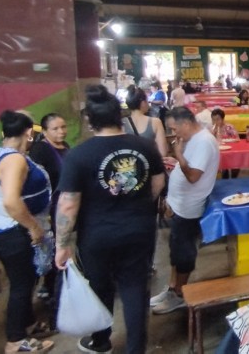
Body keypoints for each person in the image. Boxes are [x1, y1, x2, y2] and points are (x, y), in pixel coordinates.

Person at [54, 85, 166, 354]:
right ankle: (135, 348)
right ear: (120, 116)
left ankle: (101, 341)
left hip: (96, 234)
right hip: (139, 229)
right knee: (135, 290)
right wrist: (137, 205)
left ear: (90, 121)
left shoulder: (79, 155)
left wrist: (62, 243)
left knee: (100, 286)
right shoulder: (144, 146)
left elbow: (68, 203)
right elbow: (158, 182)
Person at [0, 110, 55, 353]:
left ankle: (28, 323)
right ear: (28, 132)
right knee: (22, 285)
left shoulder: (1, 153)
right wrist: (33, 226)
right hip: (12, 231)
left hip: (1, 229)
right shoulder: (15, 160)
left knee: (25, 281)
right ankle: (15, 341)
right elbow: (12, 202)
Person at [150, 107, 220, 315]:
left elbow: (193, 176)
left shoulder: (204, 142)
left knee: (184, 253)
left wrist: (178, 155)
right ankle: (172, 288)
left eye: (174, 128)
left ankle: (181, 294)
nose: (174, 133)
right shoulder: (192, 139)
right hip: (180, 204)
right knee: (175, 249)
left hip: (190, 207)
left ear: (186, 124)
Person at [27, 113, 70, 302]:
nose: (61, 131)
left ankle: (62, 283)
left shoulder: (65, 147)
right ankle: (49, 286)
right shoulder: (40, 151)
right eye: (55, 129)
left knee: (63, 245)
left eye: (63, 127)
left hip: (65, 205)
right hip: (48, 208)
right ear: (44, 131)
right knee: (50, 248)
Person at [124, 88, 169, 156]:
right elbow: (163, 152)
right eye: (147, 101)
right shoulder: (155, 122)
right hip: (151, 164)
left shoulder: (121, 123)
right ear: (143, 103)